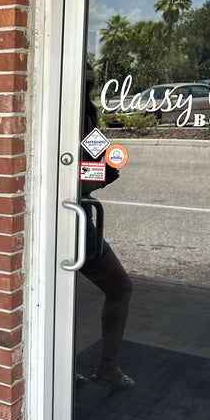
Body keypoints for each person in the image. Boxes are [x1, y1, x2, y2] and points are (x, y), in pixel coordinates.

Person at [79, 82, 134, 389]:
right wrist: (95, 177)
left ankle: (72, 368)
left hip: (72, 219)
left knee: (58, 296)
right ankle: (107, 367)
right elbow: (98, 171)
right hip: (72, 221)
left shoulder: (83, 112)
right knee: (120, 287)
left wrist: (100, 171)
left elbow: (105, 165)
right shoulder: (80, 113)